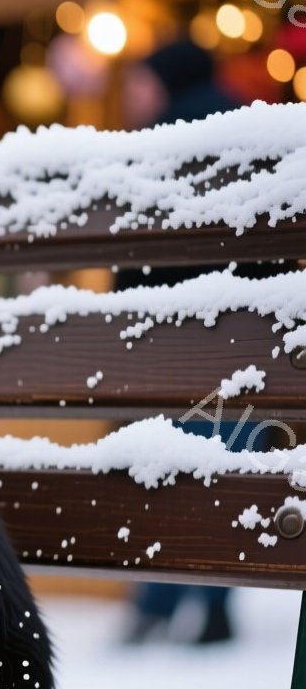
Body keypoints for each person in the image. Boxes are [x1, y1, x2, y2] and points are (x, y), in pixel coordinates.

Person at [118, 38, 246, 645]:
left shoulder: (160, 140)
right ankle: (216, 602)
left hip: (174, 345)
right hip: (248, 346)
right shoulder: (249, 128)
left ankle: (156, 601)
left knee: (163, 472)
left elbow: (134, 260)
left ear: (165, 79)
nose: (130, 92)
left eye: (139, 79)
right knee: (220, 466)